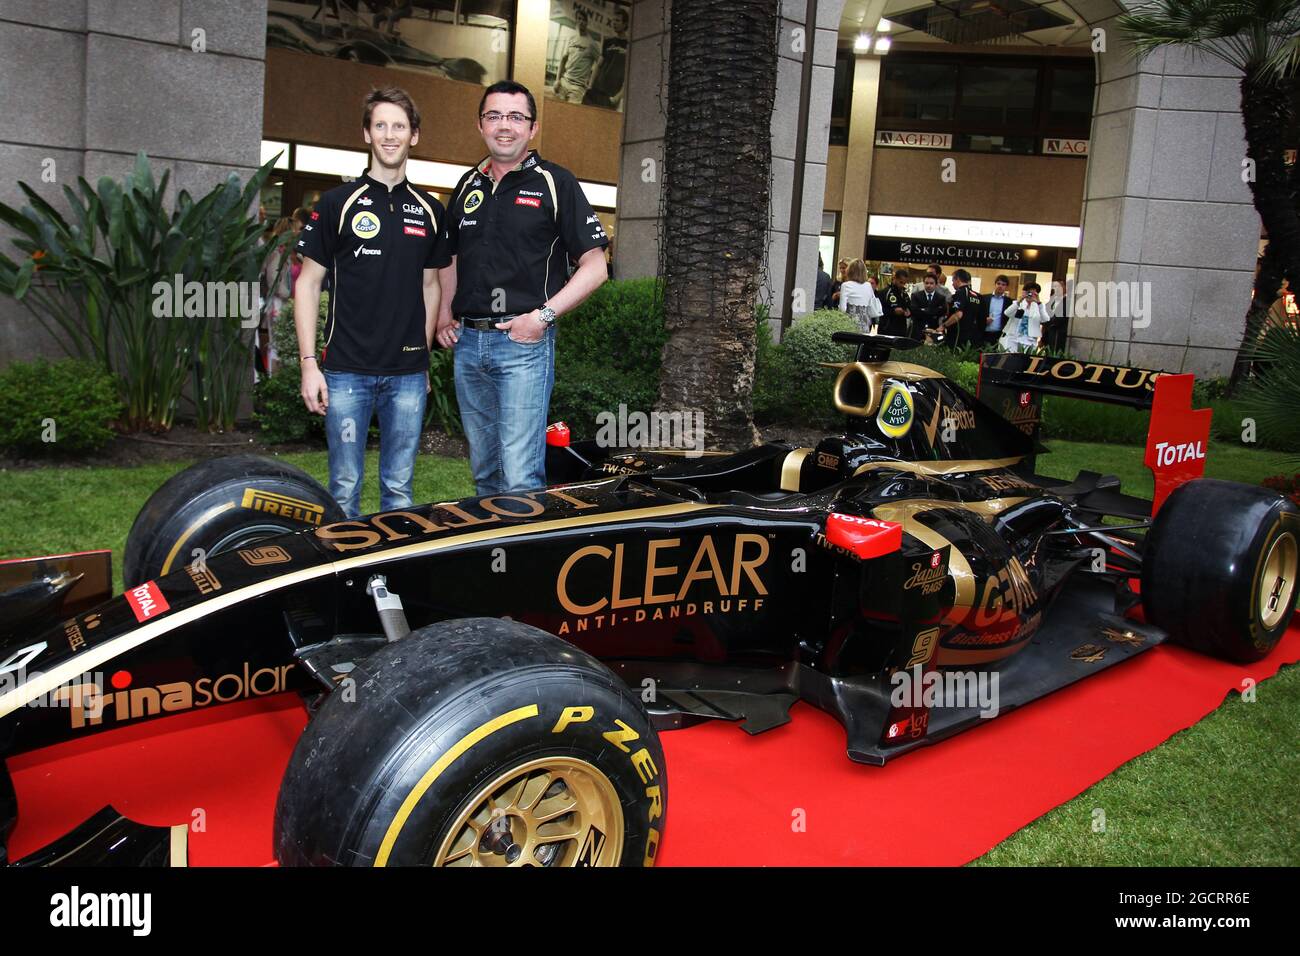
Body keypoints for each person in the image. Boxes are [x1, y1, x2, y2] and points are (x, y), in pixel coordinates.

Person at [435, 80, 609, 494]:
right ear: (480, 125)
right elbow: (451, 256)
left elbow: (595, 265)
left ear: (532, 128)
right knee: (485, 471)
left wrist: (542, 317)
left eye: (516, 117)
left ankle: (520, 557)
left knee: (518, 474)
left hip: (524, 346)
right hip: (469, 345)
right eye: (494, 116)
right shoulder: (467, 185)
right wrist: (444, 312)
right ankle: (492, 554)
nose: (504, 125)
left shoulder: (555, 182)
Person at [294, 86, 449, 518]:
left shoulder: (431, 210)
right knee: (343, 488)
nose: (389, 134)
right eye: (380, 125)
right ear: (366, 133)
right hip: (346, 372)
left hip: (406, 376)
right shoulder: (336, 204)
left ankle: (387, 580)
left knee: (399, 490)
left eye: (399, 126)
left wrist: (422, 361)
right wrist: (309, 364)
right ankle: (345, 581)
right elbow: (307, 284)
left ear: (413, 136)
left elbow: (431, 287)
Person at [583, 6, 630, 109]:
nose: (614, 23)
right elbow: (598, 65)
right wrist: (590, 85)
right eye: (613, 20)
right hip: (596, 89)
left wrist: (618, 97)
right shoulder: (608, 41)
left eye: (617, 20)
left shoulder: (630, 45)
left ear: (625, 24)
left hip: (611, 95)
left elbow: (629, 76)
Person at [553, 7, 601, 103]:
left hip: (578, 88)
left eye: (583, 19)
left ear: (587, 23)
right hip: (564, 83)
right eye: (579, 19)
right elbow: (563, 59)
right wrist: (557, 80)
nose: (581, 21)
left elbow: (600, 64)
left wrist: (591, 83)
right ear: (576, 21)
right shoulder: (572, 38)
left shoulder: (592, 44)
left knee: (571, 116)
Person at [1000, 282, 1051, 352]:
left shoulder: (1039, 306)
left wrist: (1039, 303)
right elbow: (1007, 313)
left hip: (1029, 340)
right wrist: (1019, 301)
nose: (1030, 295)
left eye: (1033, 293)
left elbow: (1045, 320)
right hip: (1012, 338)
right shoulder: (1017, 303)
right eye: (1028, 292)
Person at [942, 269, 984, 348]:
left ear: (957, 279)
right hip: (972, 335)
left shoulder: (960, 293)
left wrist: (943, 326)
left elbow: (958, 315)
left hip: (958, 335)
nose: (952, 284)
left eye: (953, 281)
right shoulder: (976, 296)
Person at [837, 258, 878, 331]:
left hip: (850, 325)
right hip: (865, 325)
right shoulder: (868, 285)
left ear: (849, 271)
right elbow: (874, 307)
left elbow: (842, 309)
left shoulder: (846, 285)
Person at [909, 272, 949, 342]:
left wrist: (923, 310)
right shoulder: (916, 296)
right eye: (926, 283)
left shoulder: (941, 298)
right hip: (918, 330)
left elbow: (943, 311)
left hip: (934, 329)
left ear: (936, 285)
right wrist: (934, 311)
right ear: (923, 283)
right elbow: (914, 311)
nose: (928, 285)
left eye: (931, 283)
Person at [879, 268, 913, 337]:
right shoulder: (885, 292)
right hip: (886, 330)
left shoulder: (904, 294)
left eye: (904, 283)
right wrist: (893, 311)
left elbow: (909, 308)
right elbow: (879, 310)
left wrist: (908, 313)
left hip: (901, 330)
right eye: (901, 282)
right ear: (895, 279)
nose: (902, 285)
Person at [984, 274, 1012, 347]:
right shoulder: (984, 298)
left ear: (1006, 287)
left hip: (999, 334)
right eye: (998, 283)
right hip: (984, 333)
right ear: (995, 284)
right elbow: (978, 314)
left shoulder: (1009, 301)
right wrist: (983, 320)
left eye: (1003, 284)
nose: (1000, 286)